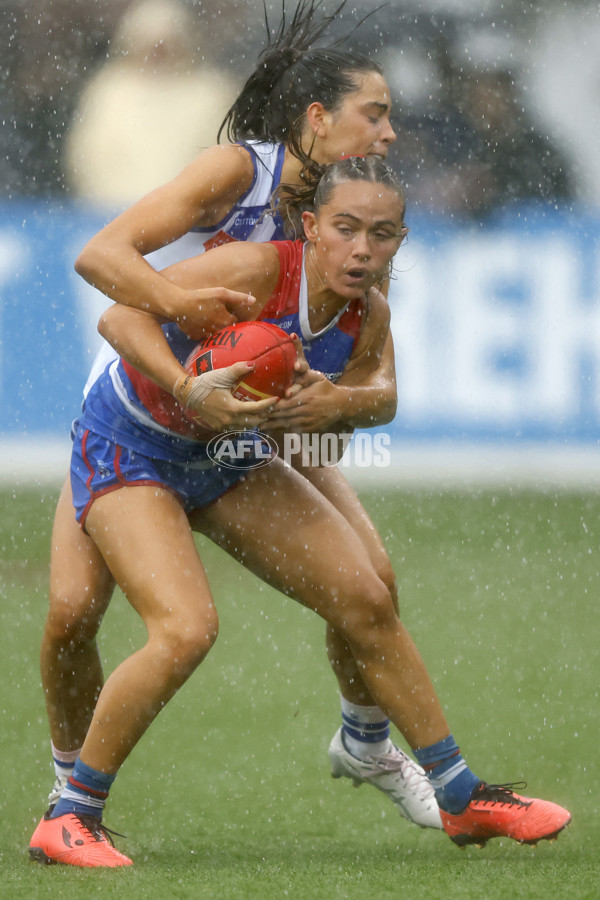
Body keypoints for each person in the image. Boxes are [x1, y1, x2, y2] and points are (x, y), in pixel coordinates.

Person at [29, 157, 571, 867]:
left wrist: (332, 407)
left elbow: (378, 399)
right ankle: (71, 815)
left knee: (365, 598)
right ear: (311, 228)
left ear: (401, 242)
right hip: (131, 446)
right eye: (345, 229)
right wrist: (188, 390)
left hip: (224, 458)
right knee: (186, 629)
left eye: (381, 235)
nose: (361, 250)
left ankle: (460, 794)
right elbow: (118, 318)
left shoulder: (366, 312)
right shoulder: (258, 271)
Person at [38, 0, 438, 847]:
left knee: (372, 583)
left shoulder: (348, 218)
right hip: (148, 399)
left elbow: (372, 368)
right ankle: (66, 786)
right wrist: (181, 306)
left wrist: (338, 407)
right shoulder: (237, 173)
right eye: (378, 113)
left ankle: (365, 744)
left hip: (248, 420)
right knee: (73, 613)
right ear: (320, 119)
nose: (391, 133)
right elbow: (106, 258)